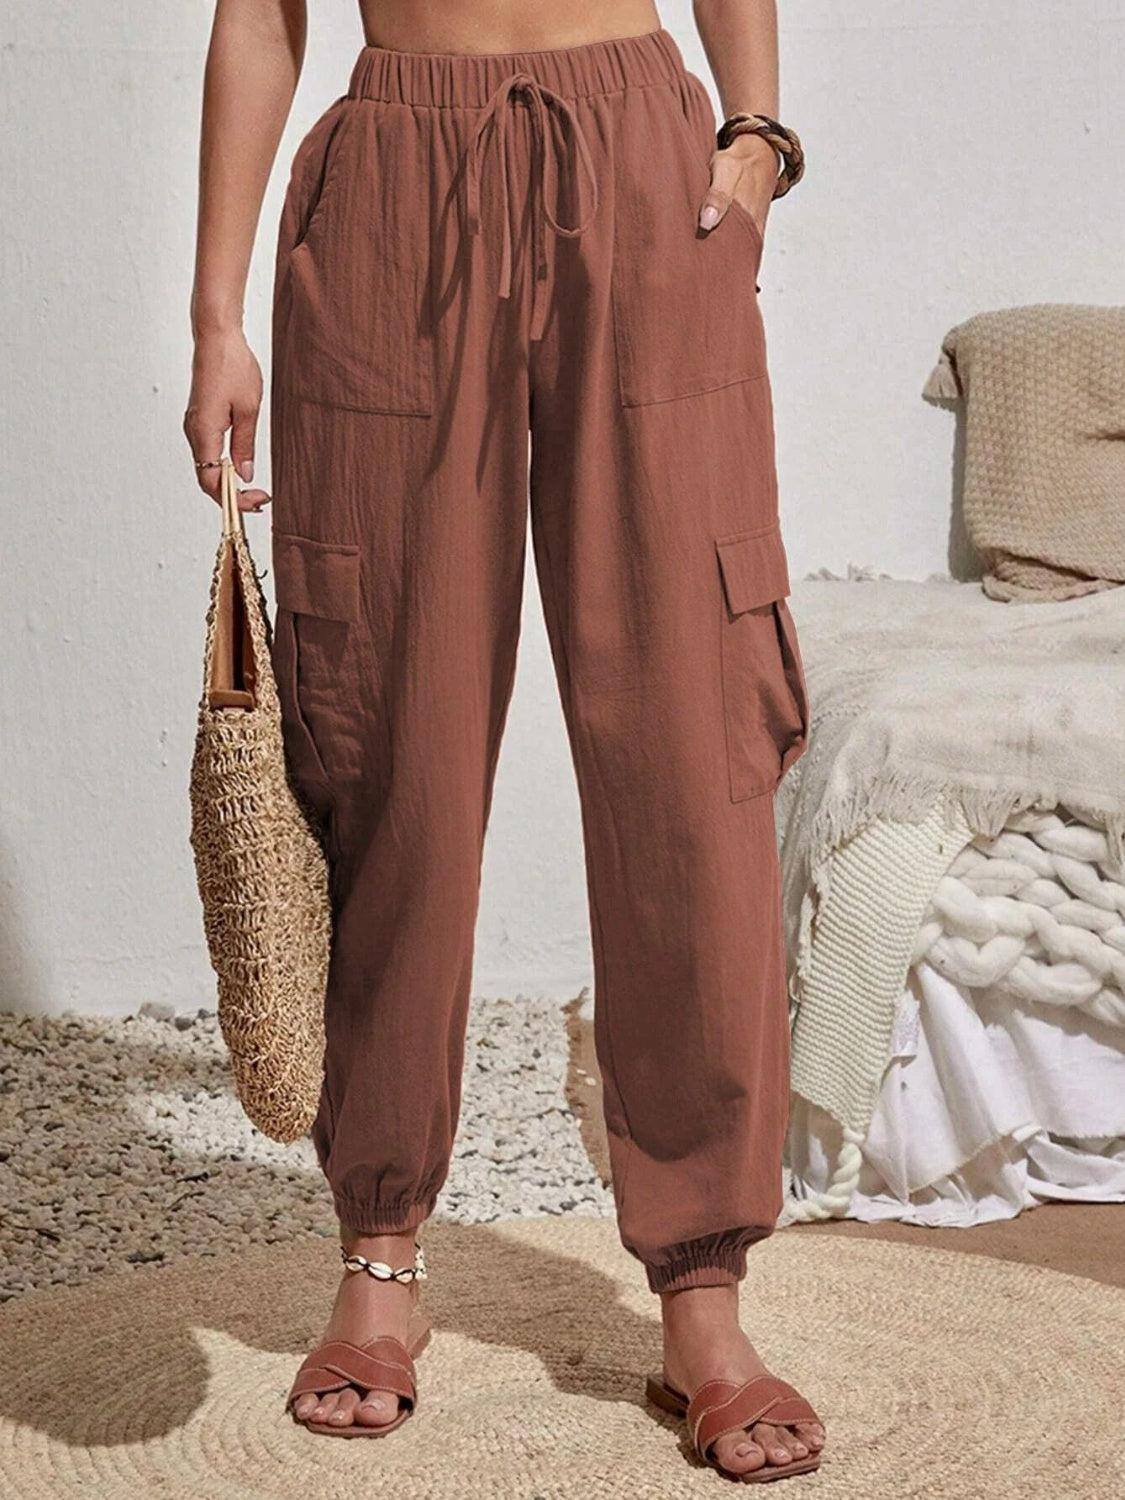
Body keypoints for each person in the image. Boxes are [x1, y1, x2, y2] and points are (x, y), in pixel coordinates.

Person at [185, 0, 821, 1481]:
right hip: (395, 181)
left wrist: (754, 129)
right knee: (387, 728)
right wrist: (217, 315)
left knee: (688, 742)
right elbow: (257, 15)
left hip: (639, 164)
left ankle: (703, 1289)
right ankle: (381, 1252)